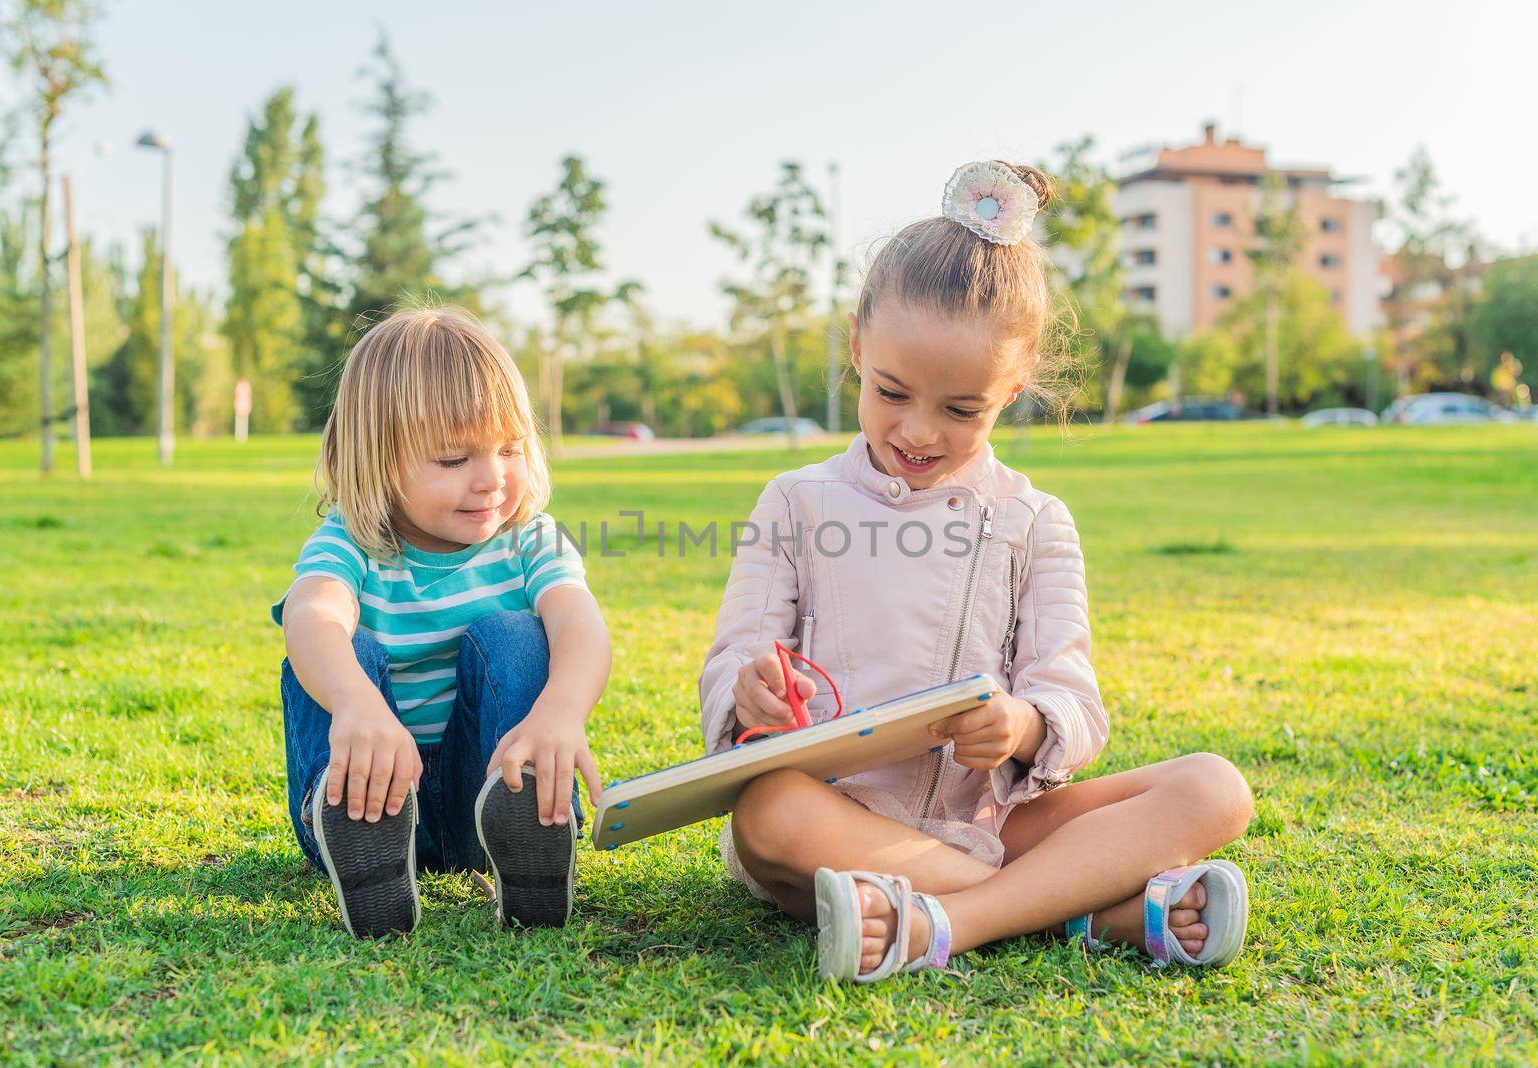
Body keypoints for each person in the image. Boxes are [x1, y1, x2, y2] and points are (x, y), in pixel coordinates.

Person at [699, 162, 1254, 982]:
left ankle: (947, 921)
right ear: (857, 346)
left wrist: (1024, 728)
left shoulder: (1035, 522)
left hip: (994, 820)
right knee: (768, 813)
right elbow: (734, 663)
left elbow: (1071, 696)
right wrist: (748, 696)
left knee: (1215, 789)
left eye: (962, 410)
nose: (919, 432)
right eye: (892, 392)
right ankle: (1081, 910)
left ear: (1015, 386)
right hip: (839, 819)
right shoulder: (794, 502)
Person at [274, 305, 610, 937]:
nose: (491, 480)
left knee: (514, 634)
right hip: (364, 780)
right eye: (454, 459)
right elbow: (312, 611)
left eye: (509, 449)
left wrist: (561, 712)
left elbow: (580, 625)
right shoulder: (351, 542)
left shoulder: (531, 541)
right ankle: (360, 842)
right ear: (376, 460)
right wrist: (355, 704)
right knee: (348, 648)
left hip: (481, 795)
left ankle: (528, 822)